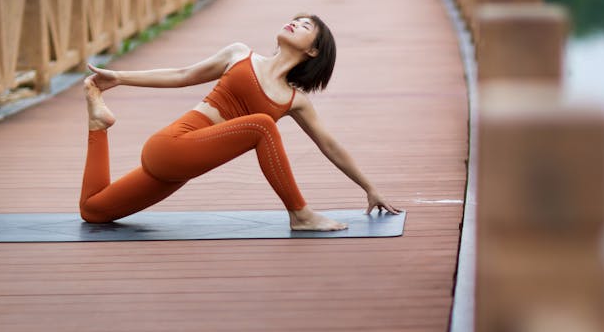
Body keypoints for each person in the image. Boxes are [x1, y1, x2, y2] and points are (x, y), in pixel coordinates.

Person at [79, 14, 400, 231]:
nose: (294, 23)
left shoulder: (294, 100)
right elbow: (182, 75)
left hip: (182, 167)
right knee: (261, 124)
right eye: (295, 19)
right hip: (172, 145)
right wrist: (119, 77)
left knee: (94, 212)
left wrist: (369, 188)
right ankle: (300, 214)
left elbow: (330, 145)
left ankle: (98, 122)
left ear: (314, 50)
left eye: (304, 26)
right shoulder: (240, 54)